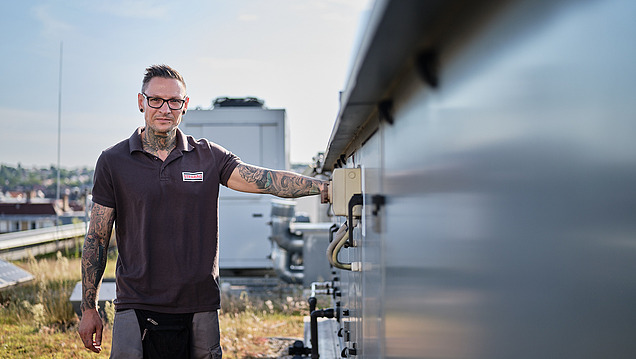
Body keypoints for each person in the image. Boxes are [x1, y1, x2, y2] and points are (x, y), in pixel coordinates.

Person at [78, 64, 329, 358]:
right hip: (136, 303)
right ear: (140, 102)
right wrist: (88, 308)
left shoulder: (208, 156)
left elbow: (265, 180)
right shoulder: (113, 161)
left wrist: (323, 187)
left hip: (200, 304)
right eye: (155, 100)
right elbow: (97, 237)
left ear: (184, 106)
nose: (164, 109)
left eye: (174, 101)